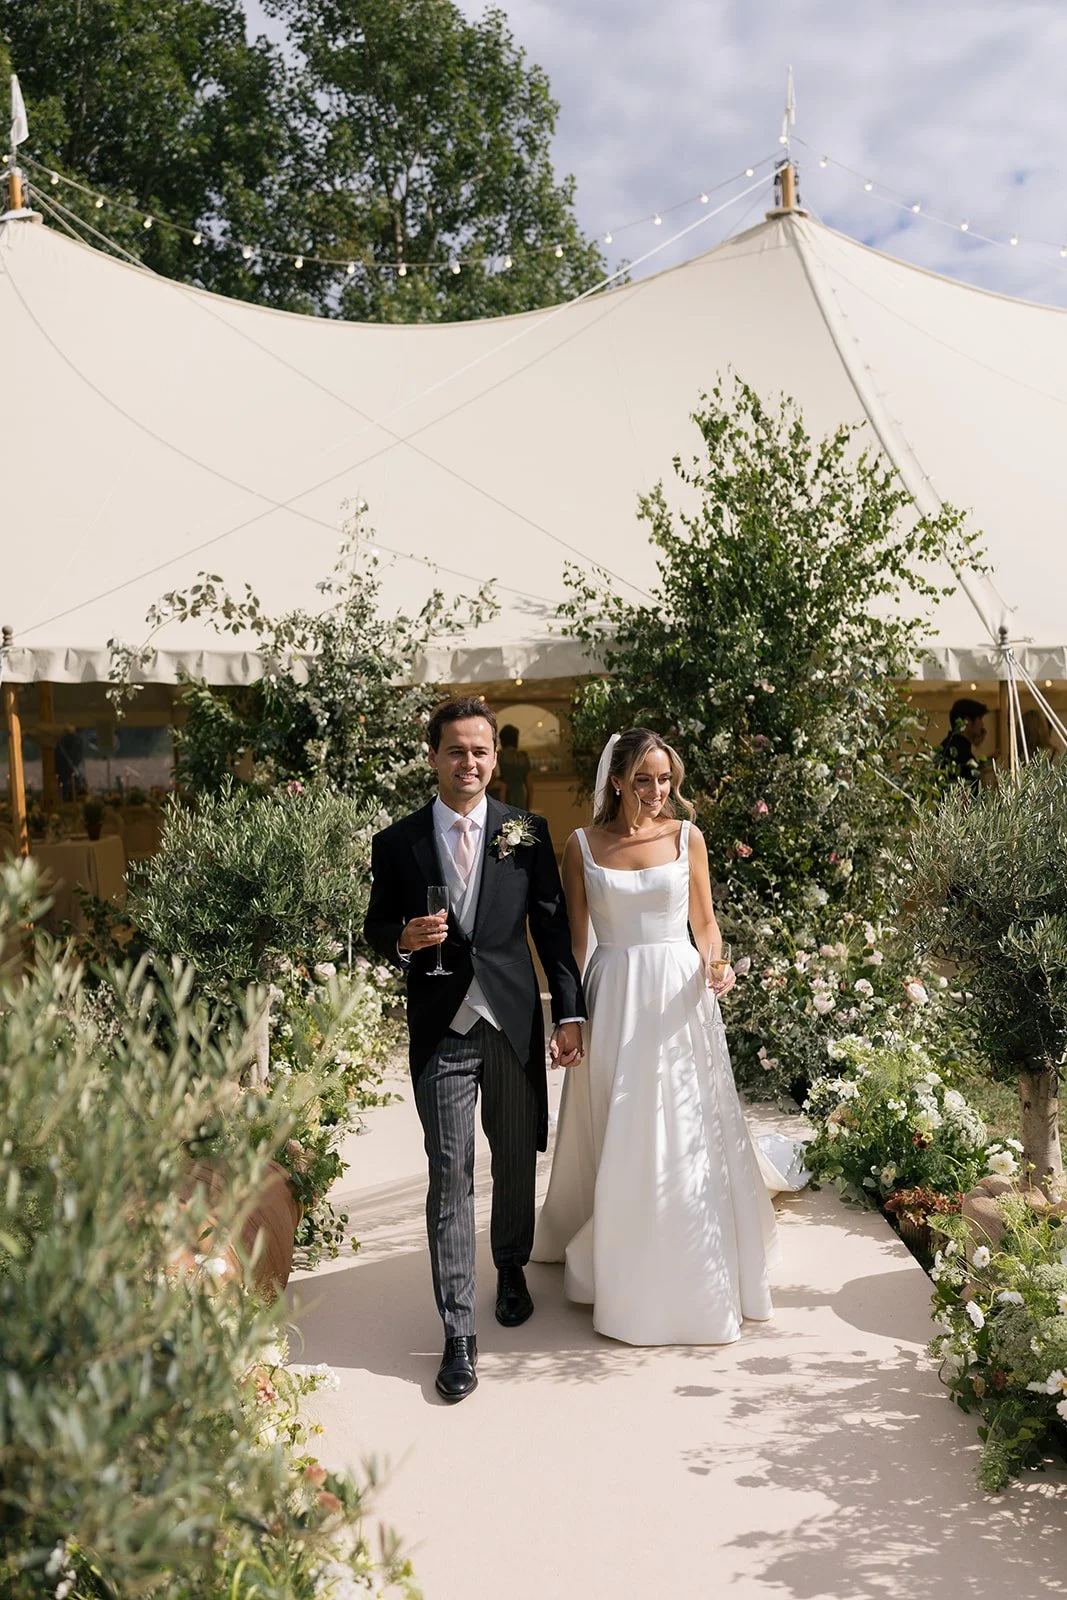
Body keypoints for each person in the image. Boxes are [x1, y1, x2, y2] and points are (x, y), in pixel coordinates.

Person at [364, 697, 584, 1402]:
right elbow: (375, 928)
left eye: (480, 751)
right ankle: (458, 1331)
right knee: (449, 1173)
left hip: (513, 1020)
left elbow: (551, 931)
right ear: (432, 755)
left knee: (516, 1156)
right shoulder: (396, 842)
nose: (469, 763)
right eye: (455, 750)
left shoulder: (524, 831)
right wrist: (402, 939)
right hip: (440, 1026)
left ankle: (511, 1265)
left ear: (496, 757)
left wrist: (568, 1013)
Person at [532, 728, 780, 1345]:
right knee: (624, 1123)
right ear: (615, 780)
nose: (656, 790)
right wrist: (570, 1016)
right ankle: (620, 1252)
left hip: (677, 992)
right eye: (643, 779)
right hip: (613, 993)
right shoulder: (582, 845)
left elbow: (706, 923)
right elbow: (574, 942)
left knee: (682, 1124)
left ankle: (691, 1252)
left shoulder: (686, 838)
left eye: (665, 779)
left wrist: (716, 963)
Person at [937, 697, 988, 791]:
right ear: (967, 721)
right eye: (979, 719)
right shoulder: (959, 752)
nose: (982, 724)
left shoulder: (947, 746)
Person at [495, 723, 533, 808]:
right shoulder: (523, 758)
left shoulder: (498, 757)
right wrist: (527, 809)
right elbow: (530, 788)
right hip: (520, 802)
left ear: (502, 740)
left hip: (501, 801)